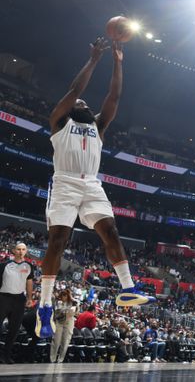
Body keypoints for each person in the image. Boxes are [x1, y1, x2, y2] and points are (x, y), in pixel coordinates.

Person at [36, 37, 155, 339]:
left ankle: (127, 289)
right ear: (69, 108)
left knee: (111, 231)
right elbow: (76, 91)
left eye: (87, 105)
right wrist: (93, 60)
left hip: (92, 185)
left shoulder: (97, 126)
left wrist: (117, 61)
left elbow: (113, 97)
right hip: (64, 182)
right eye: (80, 104)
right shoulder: (59, 122)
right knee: (58, 241)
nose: (84, 104)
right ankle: (45, 304)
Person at [0, 242, 36, 364]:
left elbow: (29, 283)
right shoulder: (4, 265)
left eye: (23, 249)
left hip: (19, 300)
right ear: (14, 251)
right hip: (3, 298)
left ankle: (5, 356)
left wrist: (29, 298)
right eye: (19, 249)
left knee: (14, 330)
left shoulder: (29, 266)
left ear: (26, 251)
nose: (21, 252)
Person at [50, 288, 78, 363]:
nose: (64, 297)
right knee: (56, 341)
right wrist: (67, 310)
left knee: (65, 342)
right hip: (59, 322)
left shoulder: (73, 302)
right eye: (62, 295)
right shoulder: (58, 302)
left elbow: (76, 309)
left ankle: (60, 359)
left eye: (65, 295)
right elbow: (58, 312)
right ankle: (52, 359)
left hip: (69, 322)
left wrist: (72, 299)